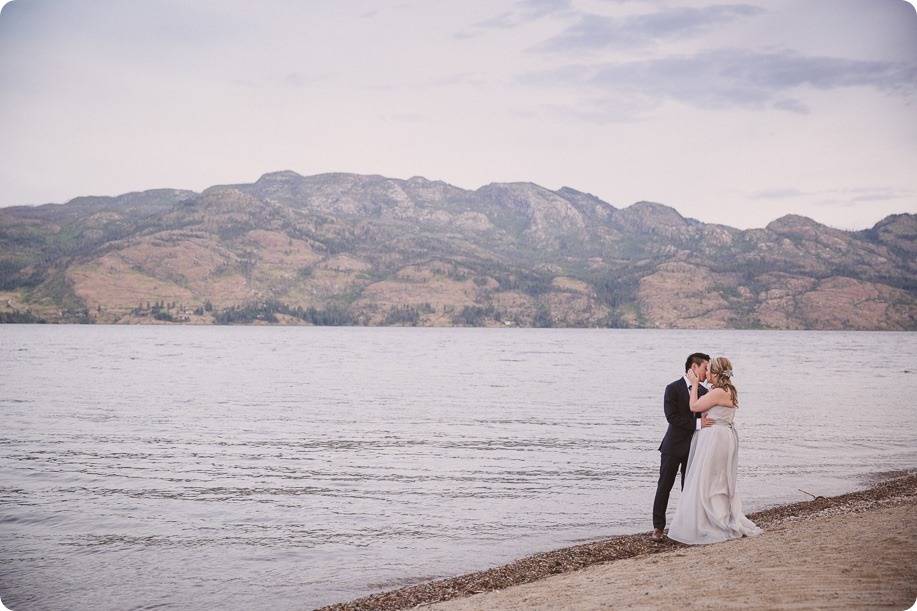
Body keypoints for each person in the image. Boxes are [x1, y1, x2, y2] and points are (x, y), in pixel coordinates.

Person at [666, 356, 763, 544]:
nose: (706, 373)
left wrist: (694, 384)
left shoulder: (719, 391)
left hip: (715, 438)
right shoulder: (727, 390)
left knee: (709, 480)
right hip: (722, 436)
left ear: (717, 373)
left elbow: (694, 406)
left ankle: (712, 521)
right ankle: (717, 515)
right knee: (716, 479)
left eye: (709, 369)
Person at [651, 353, 711, 542]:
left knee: (690, 488)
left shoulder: (704, 391)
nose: (707, 372)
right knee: (664, 487)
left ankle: (686, 526)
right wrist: (698, 424)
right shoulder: (672, 388)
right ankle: (658, 527)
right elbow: (672, 417)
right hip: (673, 446)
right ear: (694, 367)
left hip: (695, 447)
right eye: (705, 368)